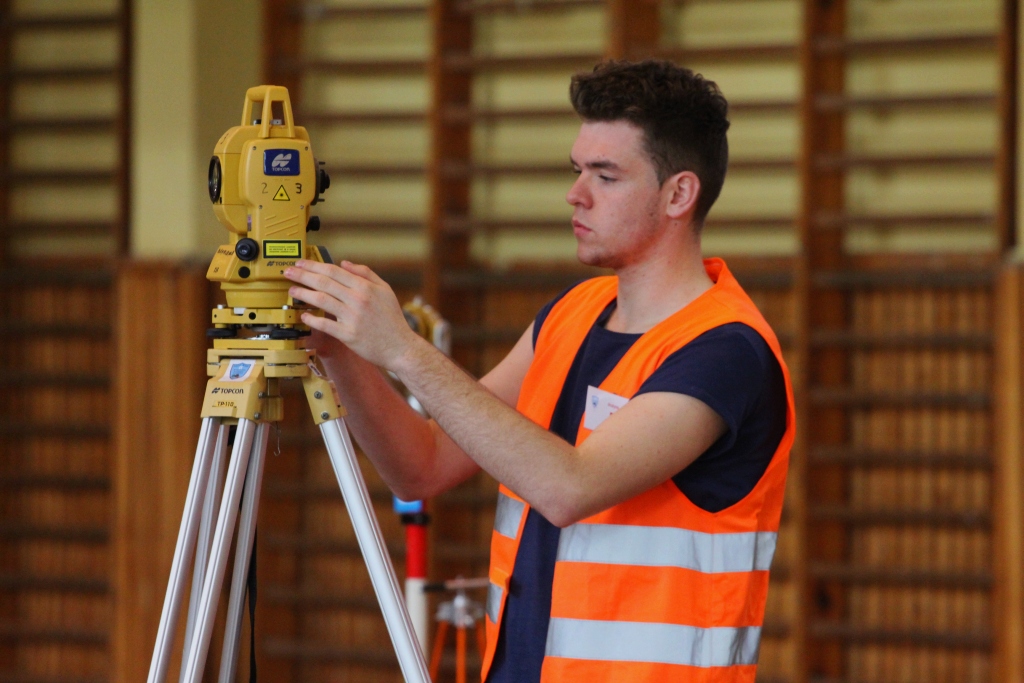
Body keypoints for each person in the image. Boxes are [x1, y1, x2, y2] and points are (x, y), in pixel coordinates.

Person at [284, 59, 795, 683]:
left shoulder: (727, 350)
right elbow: (422, 466)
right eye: (576, 170)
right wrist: (341, 349)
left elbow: (568, 488)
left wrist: (403, 351)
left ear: (678, 195)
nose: (576, 194)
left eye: (605, 176)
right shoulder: (571, 314)